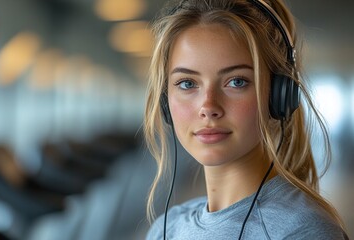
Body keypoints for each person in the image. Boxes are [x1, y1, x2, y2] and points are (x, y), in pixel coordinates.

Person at [143, 0, 349, 239]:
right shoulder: (165, 229)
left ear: (278, 96)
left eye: (236, 81)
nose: (208, 107)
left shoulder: (301, 231)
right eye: (187, 84)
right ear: (165, 101)